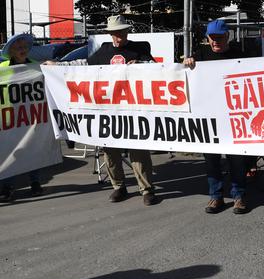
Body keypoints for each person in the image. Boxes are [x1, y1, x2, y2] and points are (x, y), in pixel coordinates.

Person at [47, 15, 160, 206]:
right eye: (115, 33)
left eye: (122, 32)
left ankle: (147, 189)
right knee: (110, 149)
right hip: (108, 112)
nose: (119, 36)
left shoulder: (140, 49)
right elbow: (82, 67)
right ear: (110, 34)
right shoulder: (103, 51)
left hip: (134, 111)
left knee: (138, 150)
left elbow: (158, 70)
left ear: (127, 32)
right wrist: (57, 66)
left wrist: (141, 66)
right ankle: (119, 186)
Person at [184, 19, 250, 215]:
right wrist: (186, 63)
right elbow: (183, 77)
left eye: (219, 38)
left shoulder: (240, 56)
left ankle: (239, 196)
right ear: (207, 38)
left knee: (236, 160)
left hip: (233, 117)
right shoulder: (200, 56)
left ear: (228, 36)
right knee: (211, 160)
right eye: (212, 38)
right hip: (209, 119)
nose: (215, 42)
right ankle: (216, 196)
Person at [0, 34, 44, 201]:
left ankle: (35, 183)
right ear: (11, 51)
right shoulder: (3, 67)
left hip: (30, 117)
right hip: (9, 119)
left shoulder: (35, 67)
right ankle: (7, 186)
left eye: (25, 47)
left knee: (32, 150)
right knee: (9, 152)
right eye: (19, 48)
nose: (23, 50)